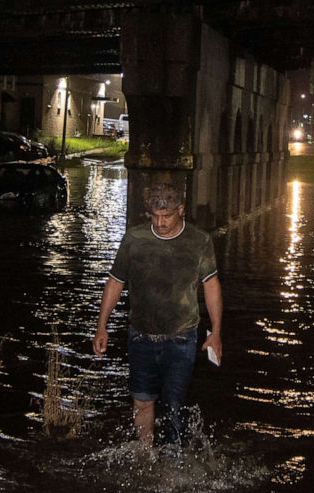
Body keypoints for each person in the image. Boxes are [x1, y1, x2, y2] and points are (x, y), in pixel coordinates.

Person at [93, 182, 222, 446]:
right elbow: (115, 281)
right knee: (142, 399)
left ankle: (173, 462)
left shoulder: (199, 241)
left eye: (167, 216)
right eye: (155, 216)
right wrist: (101, 326)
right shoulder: (134, 239)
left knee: (174, 403)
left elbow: (211, 285)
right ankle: (145, 455)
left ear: (181, 210)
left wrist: (216, 332)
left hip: (181, 337)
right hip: (140, 336)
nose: (161, 223)